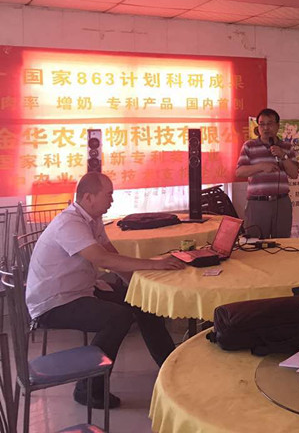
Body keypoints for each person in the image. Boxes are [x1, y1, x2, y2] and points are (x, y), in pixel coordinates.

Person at [25, 172, 186, 409]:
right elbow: (102, 259)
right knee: (117, 318)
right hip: (54, 302)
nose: (111, 200)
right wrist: (155, 264)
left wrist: (137, 287)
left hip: (81, 289)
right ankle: (89, 388)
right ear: (88, 197)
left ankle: (169, 365)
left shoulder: (93, 219)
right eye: (108, 194)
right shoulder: (69, 223)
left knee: (142, 302)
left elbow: (111, 254)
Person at [236, 108, 299, 238]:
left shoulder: (287, 147)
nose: (265, 128)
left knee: (282, 243)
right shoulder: (249, 146)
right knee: (254, 242)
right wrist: (261, 167)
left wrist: (283, 156)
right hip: (257, 203)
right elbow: (239, 172)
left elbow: (294, 174)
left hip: (281, 202)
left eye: (269, 123)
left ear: (277, 126)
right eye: (262, 124)